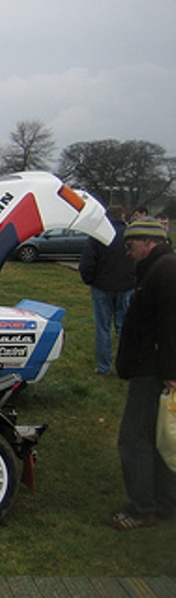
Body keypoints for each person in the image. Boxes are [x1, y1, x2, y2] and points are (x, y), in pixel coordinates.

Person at [109, 218, 176, 530]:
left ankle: (142, 509)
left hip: (154, 372)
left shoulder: (166, 269)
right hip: (153, 369)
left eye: (131, 244)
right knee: (157, 439)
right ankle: (163, 504)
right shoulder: (158, 268)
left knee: (134, 439)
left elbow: (171, 323)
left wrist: (171, 371)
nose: (128, 251)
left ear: (149, 242)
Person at [78, 205, 135, 375]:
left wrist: (89, 280)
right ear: (122, 216)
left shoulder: (98, 235)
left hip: (102, 286)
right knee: (123, 326)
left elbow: (87, 262)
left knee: (103, 328)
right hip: (126, 285)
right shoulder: (129, 235)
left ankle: (104, 367)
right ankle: (127, 365)